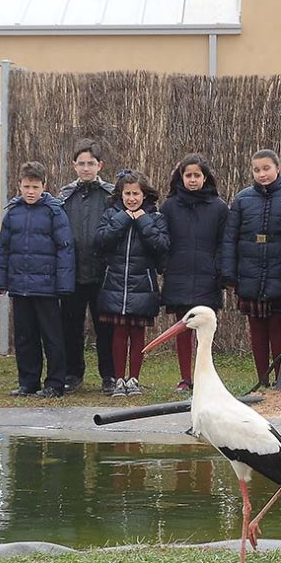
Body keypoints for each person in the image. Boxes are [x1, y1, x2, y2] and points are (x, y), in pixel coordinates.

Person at [222, 149, 281, 388]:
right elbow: (230, 239)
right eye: (257, 170)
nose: (262, 174)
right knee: (257, 331)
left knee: (278, 330)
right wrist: (229, 274)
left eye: (266, 168)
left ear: (278, 168)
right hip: (249, 274)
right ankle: (262, 380)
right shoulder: (241, 199)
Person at [0, 161, 75, 399]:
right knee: (24, 337)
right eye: (26, 186)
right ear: (19, 186)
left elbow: (65, 248)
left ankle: (55, 383)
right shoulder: (13, 213)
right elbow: (3, 249)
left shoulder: (54, 211)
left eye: (35, 186)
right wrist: (1, 281)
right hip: (20, 286)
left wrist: (64, 283)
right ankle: (28, 382)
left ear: (44, 186)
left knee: (52, 337)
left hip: (47, 287)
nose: (30, 191)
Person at [94, 170, 170, 397]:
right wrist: (124, 218)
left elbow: (162, 244)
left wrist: (142, 221)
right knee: (118, 333)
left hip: (142, 286)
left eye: (136, 193)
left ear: (144, 195)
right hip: (115, 283)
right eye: (127, 193)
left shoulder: (155, 218)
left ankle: (134, 378)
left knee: (137, 333)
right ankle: (118, 379)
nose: (132, 198)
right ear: (120, 195)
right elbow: (100, 240)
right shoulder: (111, 215)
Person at [159, 154, 227, 392]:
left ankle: (204, 379)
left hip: (208, 277)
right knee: (182, 329)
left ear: (205, 177)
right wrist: (166, 266)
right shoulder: (168, 206)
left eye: (197, 175)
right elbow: (162, 240)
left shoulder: (219, 207)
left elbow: (223, 243)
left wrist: (220, 270)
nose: (192, 180)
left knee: (204, 333)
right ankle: (185, 378)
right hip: (178, 275)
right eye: (188, 175)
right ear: (181, 177)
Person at [58, 139, 116, 394]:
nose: (85, 168)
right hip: (73, 273)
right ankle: (73, 373)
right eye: (81, 163)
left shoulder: (111, 196)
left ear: (99, 165)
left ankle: (109, 375)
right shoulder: (64, 196)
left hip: (102, 272)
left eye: (90, 163)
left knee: (105, 328)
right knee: (71, 326)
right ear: (73, 166)